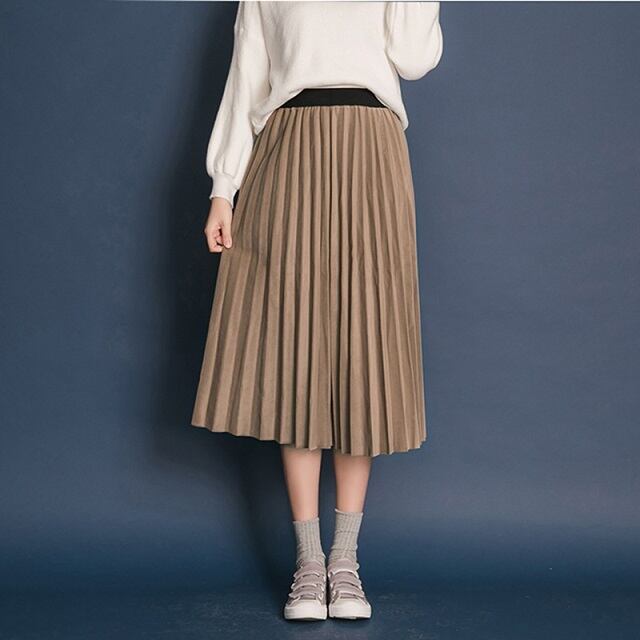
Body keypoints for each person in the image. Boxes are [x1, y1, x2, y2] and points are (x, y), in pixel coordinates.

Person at [191, 0, 443, 621]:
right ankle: (308, 562)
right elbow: (246, 77)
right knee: (295, 347)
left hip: (372, 149)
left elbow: (415, 59)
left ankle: (345, 561)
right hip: (288, 148)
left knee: (364, 347)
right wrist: (224, 188)